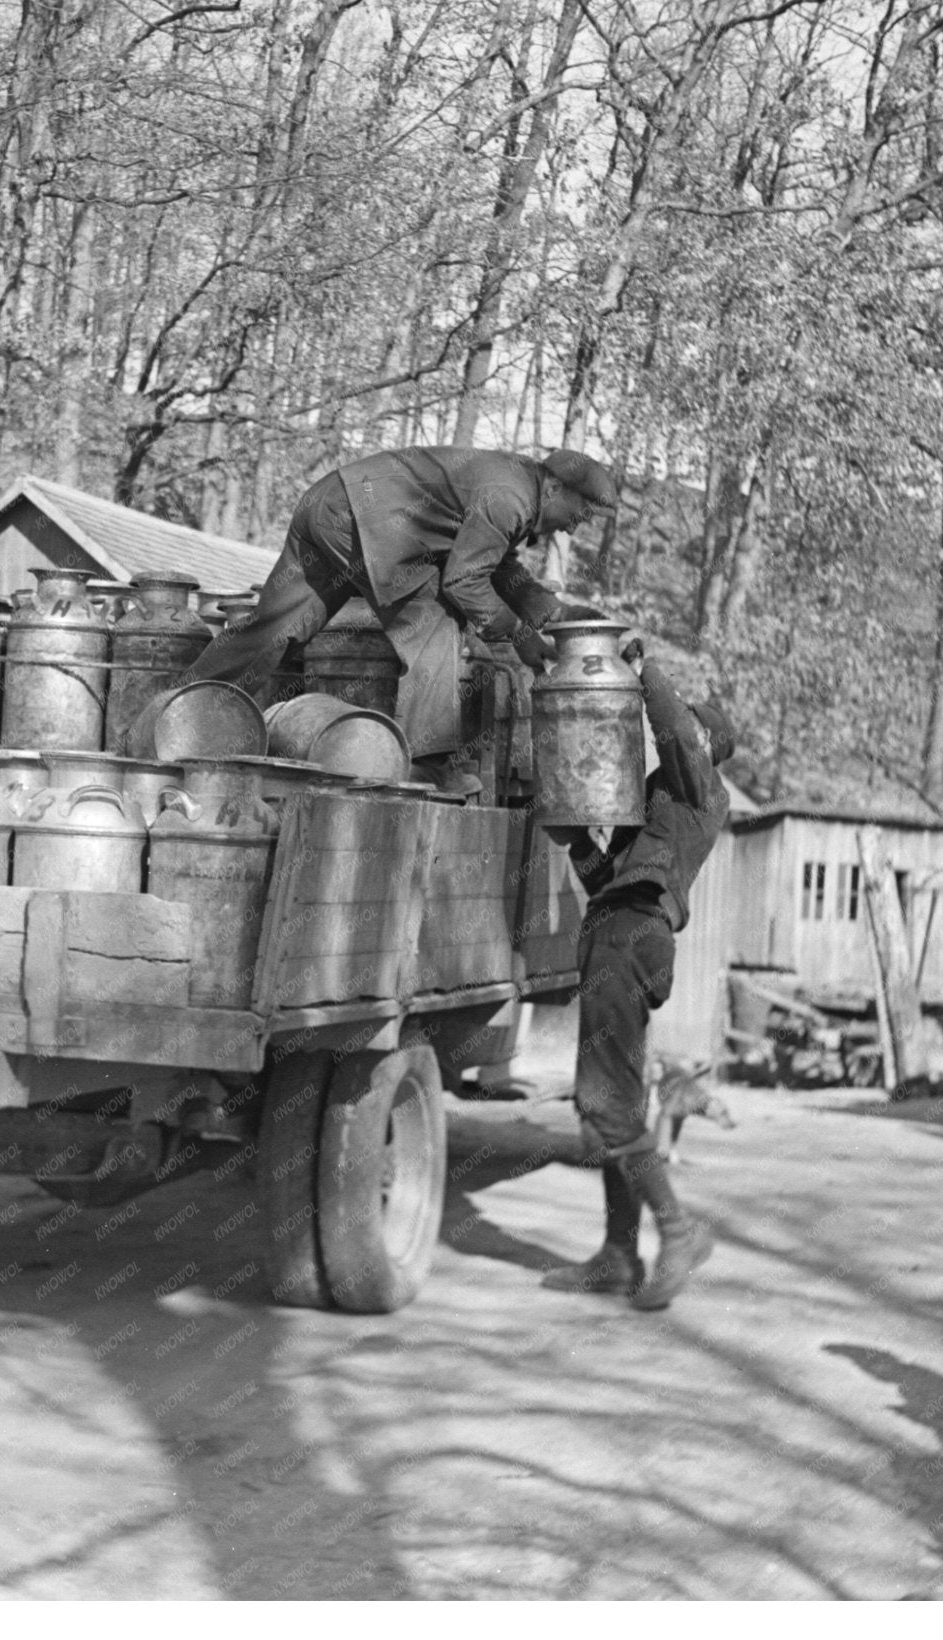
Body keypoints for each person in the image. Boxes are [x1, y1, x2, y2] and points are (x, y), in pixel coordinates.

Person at [180, 446, 620, 770]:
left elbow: (496, 562)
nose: (575, 528)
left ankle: (175, 715)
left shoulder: (515, 484)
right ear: (556, 487)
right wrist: (519, 633)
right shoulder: (510, 497)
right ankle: (427, 765)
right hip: (366, 521)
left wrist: (552, 613)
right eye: (580, 515)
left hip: (330, 502)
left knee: (272, 628)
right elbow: (466, 579)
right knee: (435, 621)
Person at [541, 636, 735, 1311]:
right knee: (609, 1108)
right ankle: (619, 1257)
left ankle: (677, 1233)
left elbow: (679, 732)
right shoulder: (659, 804)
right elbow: (605, 876)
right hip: (617, 933)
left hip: (631, 939)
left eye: (689, 735)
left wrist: (641, 664)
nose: (672, 744)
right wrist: (573, 841)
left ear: (707, 751)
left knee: (605, 1104)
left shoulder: (699, 788)